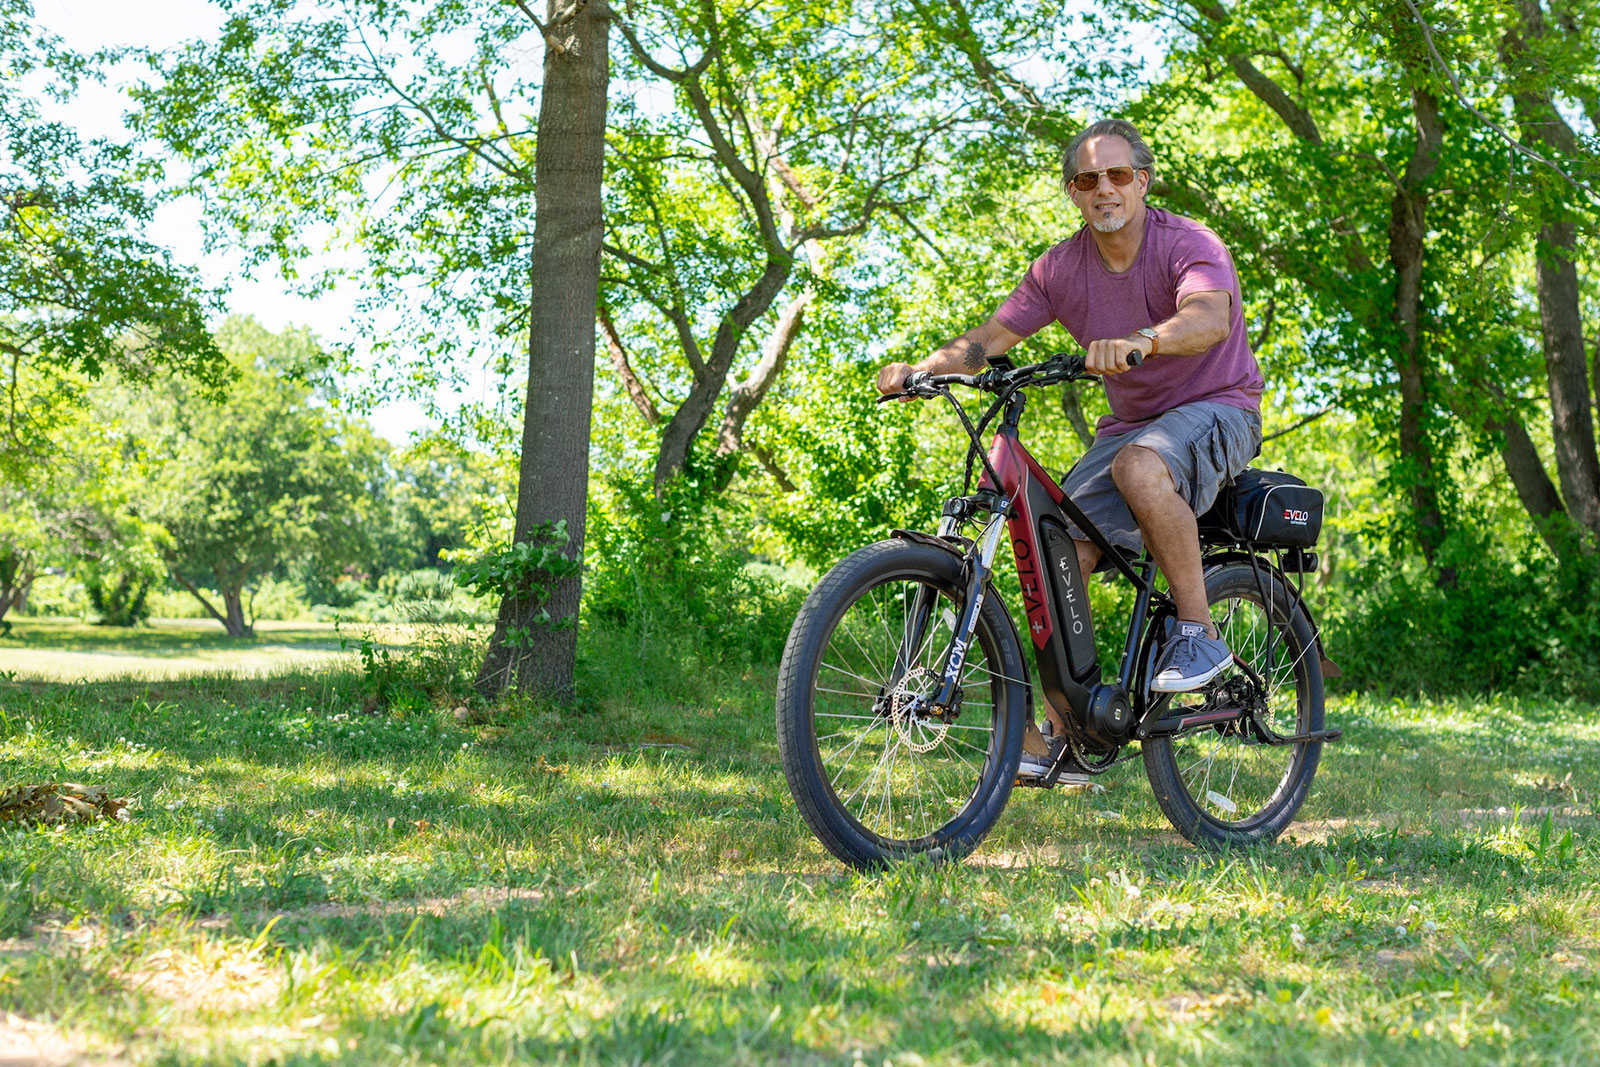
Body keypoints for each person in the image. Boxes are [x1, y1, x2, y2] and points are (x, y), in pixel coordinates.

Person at [874, 119, 1264, 784]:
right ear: (1073, 193)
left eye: (1117, 175)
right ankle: (1067, 734)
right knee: (1056, 554)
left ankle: (1198, 633)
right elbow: (989, 339)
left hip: (1218, 405)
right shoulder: (1060, 268)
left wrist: (1146, 339)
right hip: (1132, 427)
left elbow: (1208, 317)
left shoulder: (1189, 243)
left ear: (1142, 181)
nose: (1103, 189)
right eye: (1087, 180)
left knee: (1138, 466)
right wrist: (923, 368)